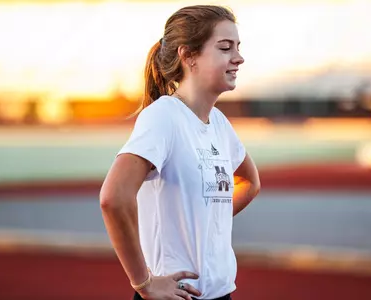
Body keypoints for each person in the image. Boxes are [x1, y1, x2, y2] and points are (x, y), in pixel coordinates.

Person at [100, 5, 261, 300]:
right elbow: (114, 198)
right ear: (188, 56)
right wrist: (143, 282)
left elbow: (250, 182)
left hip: (220, 293)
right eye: (225, 48)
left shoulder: (220, 123)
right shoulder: (163, 117)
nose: (238, 57)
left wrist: (207, 222)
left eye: (238, 47)